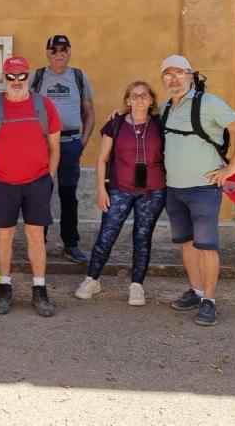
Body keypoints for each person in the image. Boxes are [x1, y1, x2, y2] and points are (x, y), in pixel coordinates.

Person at [159, 55, 235, 326]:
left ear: (191, 76)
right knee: (187, 243)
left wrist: (231, 168)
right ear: (163, 79)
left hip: (204, 188)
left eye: (180, 73)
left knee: (206, 246)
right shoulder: (167, 106)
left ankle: (210, 301)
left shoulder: (209, 103)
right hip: (174, 188)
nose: (174, 78)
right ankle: (196, 291)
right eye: (168, 74)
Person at [0, 56, 61, 316]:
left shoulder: (44, 105)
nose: (16, 81)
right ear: (4, 79)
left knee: (36, 235)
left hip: (37, 181)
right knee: (4, 236)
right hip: (4, 182)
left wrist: (49, 176)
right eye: (11, 76)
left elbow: (54, 147)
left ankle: (40, 289)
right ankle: (5, 286)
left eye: (21, 75)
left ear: (28, 76)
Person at [75, 81, 167, 306]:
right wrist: (100, 189)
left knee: (142, 237)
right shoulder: (115, 123)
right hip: (119, 189)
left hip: (152, 191)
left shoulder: (161, 124)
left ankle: (137, 285)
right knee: (106, 235)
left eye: (144, 95)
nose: (139, 99)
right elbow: (102, 158)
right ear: (127, 100)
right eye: (133, 96)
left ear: (152, 100)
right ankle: (92, 279)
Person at [32, 34, 95, 264]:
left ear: (69, 52)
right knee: (41, 194)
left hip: (70, 145)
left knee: (69, 195)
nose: (59, 54)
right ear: (47, 54)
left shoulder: (79, 77)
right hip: (42, 146)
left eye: (63, 50)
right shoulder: (36, 77)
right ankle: (40, 243)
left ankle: (71, 244)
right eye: (54, 50)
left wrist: (83, 142)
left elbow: (89, 113)